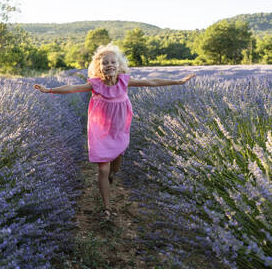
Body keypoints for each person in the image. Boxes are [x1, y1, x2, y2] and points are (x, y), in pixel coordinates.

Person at [33, 44, 195, 221]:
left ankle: (112, 175)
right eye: (105, 62)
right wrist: (49, 90)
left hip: (119, 130)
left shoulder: (124, 82)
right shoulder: (95, 85)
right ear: (99, 67)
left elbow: (151, 82)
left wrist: (178, 81)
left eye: (113, 61)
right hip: (100, 131)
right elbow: (72, 88)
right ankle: (107, 208)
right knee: (103, 169)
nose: (109, 65)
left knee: (115, 164)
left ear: (119, 65)